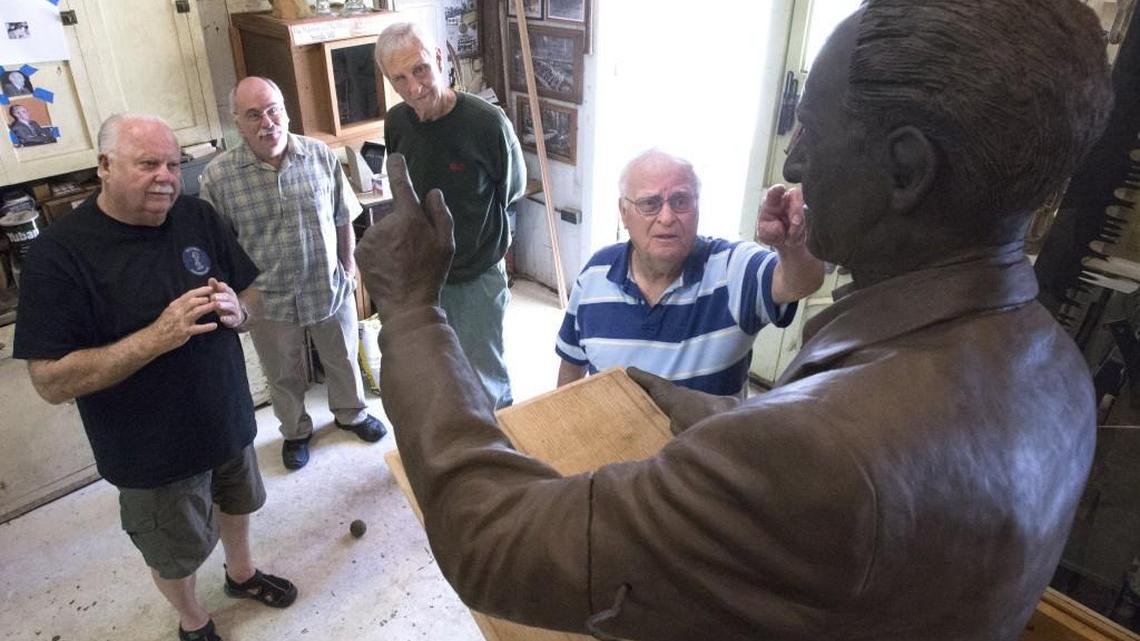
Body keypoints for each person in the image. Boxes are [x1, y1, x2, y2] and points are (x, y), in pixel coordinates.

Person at [354, 0, 1112, 638]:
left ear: (906, 170)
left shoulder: (817, 454)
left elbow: (488, 540)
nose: (794, 164)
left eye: (809, 127)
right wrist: (690, 406)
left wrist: (412, 310)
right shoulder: (1057, 367)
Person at [13, 113, 297, 641]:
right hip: (152, 452)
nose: (165, 176)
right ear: (104, 166)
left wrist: (242, 310)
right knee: (174, 550)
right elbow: (49, 381)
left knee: (239, 505)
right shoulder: (59, 255)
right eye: (147, 164)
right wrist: (155, 338)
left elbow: (251, 293)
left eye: (172, 163)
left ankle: (240, 574)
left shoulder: (197, 216)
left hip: (227, 420)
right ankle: (194, 619)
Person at [199, 76, 387, 471]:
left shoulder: (319, 155)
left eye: (273, 110)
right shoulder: (218, 178)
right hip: (267, 296)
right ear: (237, 122)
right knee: (282, 373)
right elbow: (220, 248)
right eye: (254, 115)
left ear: (285, 111)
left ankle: (351, 413)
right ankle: (296, 431)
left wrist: (348, 267)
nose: (267, 122)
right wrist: (238, 299)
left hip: (327, 283)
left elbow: (342, 216)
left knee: (342, 358)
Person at [556, 149, 824, 396]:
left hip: (704, 449)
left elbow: (798, 282)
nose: (667, 217)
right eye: (649, 203)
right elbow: (571, 365)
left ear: (698, 208)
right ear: (624, 213)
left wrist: (792, 246)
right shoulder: (595, 274)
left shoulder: (731, 269)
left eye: (680, 200)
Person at [374, 22, 525, 409]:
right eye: (399, 78)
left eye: (420, 69)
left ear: (439, 59)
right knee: (438, 369)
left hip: (475, 273)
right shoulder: (396, 122)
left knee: (484, 375)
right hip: (424, 274)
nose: (413, 88)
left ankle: (501, 451)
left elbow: (513, 189)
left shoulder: (486, 123)